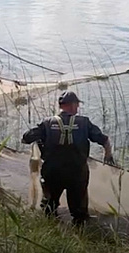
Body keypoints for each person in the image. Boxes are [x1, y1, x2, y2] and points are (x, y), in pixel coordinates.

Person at [21, 91, 114, 226]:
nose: (77, 108)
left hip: (52, 173)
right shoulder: (84, 122)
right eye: (76, 105)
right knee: (79, 212)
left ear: (61, 106)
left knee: (49, 206)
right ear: (73, 105)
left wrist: (43, 139)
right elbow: (104, 140)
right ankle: (80, 228)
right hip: (77, 173)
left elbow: (26, 138)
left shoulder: (47, 123)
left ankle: (52, 229)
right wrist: (108, 154)